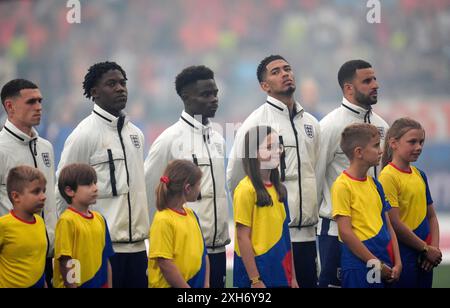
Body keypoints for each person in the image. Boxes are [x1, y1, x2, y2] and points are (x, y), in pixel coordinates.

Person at [227, 55, 320, 288]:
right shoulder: (253, 124)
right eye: (276, 71)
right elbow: (237, 177)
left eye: (288, 69)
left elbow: (317, 171)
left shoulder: (311, 123)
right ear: (264, 86)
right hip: (271, 239)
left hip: (308, 235)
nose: (285, 74)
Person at [56, 61, 150, 288]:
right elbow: (61, 191)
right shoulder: (83, 135)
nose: (120, 88)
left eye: (122, 83)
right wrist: (63, 244)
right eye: (111, 84)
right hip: (103, 251)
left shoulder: (135, 134)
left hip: (138, 249)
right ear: (95, 92)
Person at [144, 65, 229, 288]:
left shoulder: (219, 140)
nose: (214, 99)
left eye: (215, 93)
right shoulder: (168, 140)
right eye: (206, 94)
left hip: (218, 247)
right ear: (186, 97)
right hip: (184, 251)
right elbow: (149, 191)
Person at [316, 60, 389, 288]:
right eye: (367, 81)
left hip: (374, 230)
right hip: (336, 231)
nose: (375, 84)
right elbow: (315, 178)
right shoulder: (329, 126)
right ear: (348, 88)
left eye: (375, 79)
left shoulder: (382, 126)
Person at [0, 79, 57, 287]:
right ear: (10, 106)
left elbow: (52, 199)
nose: (39, 107)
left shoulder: (46, 147)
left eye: (40, 101)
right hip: (14, 260)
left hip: (50, 255)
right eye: (31, 102)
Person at [332, 123, 401, 288]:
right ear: (359, 152)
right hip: (360, 264)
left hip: (383, 260)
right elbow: (345, 232)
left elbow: (388, 225)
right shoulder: (342, 185)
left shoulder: (376, 184)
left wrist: (398, 261)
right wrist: (375, 263)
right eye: (376, 145)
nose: (381, 151)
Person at [379, 118, 442, 288]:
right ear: (394, 143)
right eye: (412, 142)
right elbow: (394, 223)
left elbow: (432, 217)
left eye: (421, 142)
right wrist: (425, 248)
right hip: (403, 252)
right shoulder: (388, 176)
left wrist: (433, 249)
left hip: (425, 256)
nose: (419, 147)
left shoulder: (420, 174)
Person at [233, 126, 298, 288]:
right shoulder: (245, 190)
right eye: (269, 147)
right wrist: (255, 280)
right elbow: (242, 238)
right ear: (254, 153)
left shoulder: (280, 189)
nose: (277, 151)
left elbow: (286, 238)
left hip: (281, 273)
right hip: (256, 277)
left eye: (278, 146)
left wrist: (293, 278)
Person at [148, 160, 209, 288]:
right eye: (198, 184)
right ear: (187, 188)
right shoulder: (163, 220)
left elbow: (204, 254)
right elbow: (165, 264)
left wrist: (206, 283)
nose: (200, 188)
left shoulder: (192, 215)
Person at [53, 163, 114, 288]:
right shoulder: (67, 221)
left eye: (95, 183)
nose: (95, 188)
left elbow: (106, 259)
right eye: (88, 184)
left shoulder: (100, 219)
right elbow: (66, 261)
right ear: (70, 191)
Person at [0, 166, 48, 288]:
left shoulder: (40, 222)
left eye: (44, 191)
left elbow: (36, 259)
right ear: (16, 197)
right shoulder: (4, 225)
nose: (43, 196)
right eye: (36, 191)